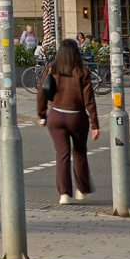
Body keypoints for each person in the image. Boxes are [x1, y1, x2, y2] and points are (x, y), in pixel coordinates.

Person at [37, 37, 99, 205]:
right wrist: (95, 124)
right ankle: (81, 189)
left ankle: (64, 194)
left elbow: (42, 92)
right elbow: (89, 101)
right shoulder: (82, 72)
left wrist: (42, 115)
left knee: (62, 154)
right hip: (77, 117)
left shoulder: (51, 69)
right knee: (79, 152)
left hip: (56, 116)